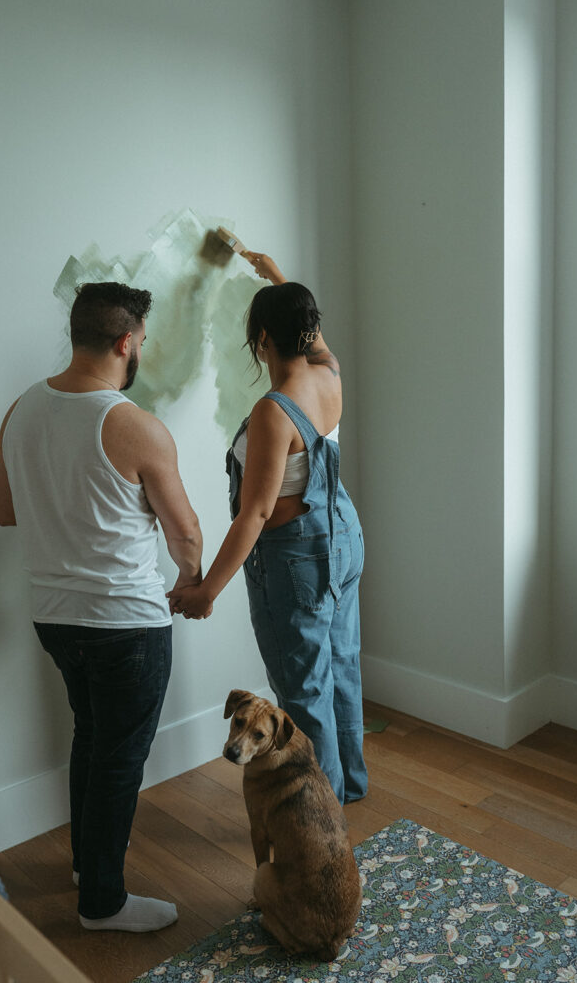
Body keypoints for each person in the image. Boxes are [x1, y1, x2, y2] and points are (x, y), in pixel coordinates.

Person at [0, 281, 205, 932]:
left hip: (53, 616)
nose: (139, 349)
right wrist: (191, 580)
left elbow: (4, 513)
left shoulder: (20, 410)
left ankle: (90, 865)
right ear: (124, 341)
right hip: (125, 623)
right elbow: (186, 534)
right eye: (140, 340)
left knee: (93, 738)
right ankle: (102, 904)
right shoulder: (134, 425)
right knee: (119, 757)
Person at [168, 253, 367, 805]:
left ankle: (319, 810)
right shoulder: (327, 373)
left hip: (296, 560)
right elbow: (315, 334)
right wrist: (280, 279)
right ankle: (348, 786)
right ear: (308, 329)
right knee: (342, 670)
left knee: (303, 693)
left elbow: (254, 514)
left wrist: (207, 589)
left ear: (261, 338)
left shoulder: (273, 412)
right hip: (343, 538)